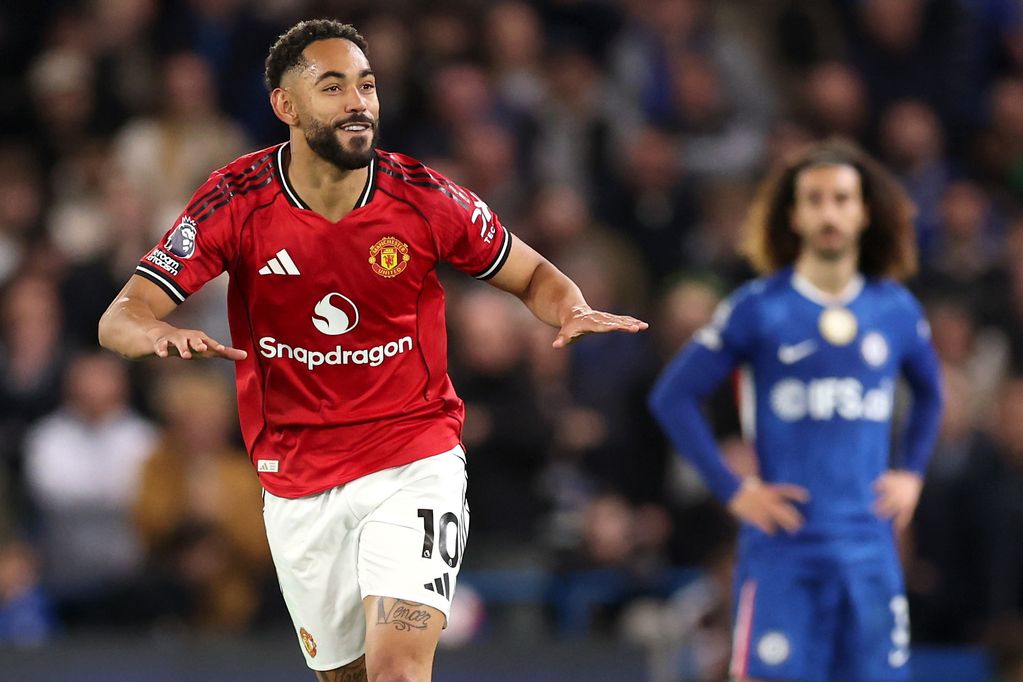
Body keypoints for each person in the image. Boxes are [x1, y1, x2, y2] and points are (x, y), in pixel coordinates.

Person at [97, 19, 647, 682]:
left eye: (367, 84)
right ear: (286, 105)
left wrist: (570, 307)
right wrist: (155, 332)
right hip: (297, 479)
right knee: (349, 678)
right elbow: (121, 315)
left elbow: (529, 273)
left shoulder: (422, 196)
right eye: (333, 87)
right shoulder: (236, 201)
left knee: (396, 671)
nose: (359, 101)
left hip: (411, 460)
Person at [649, 139, 942, 682]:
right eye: (815, 200)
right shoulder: (758, 308)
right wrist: (733, 490)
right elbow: (673, 397)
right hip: (784, 551)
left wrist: (912, 473)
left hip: (869, 550)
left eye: (841, 199)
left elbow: (931, 391)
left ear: (864, 212)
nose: (829, 212)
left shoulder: (895, 309)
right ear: (793, 214)